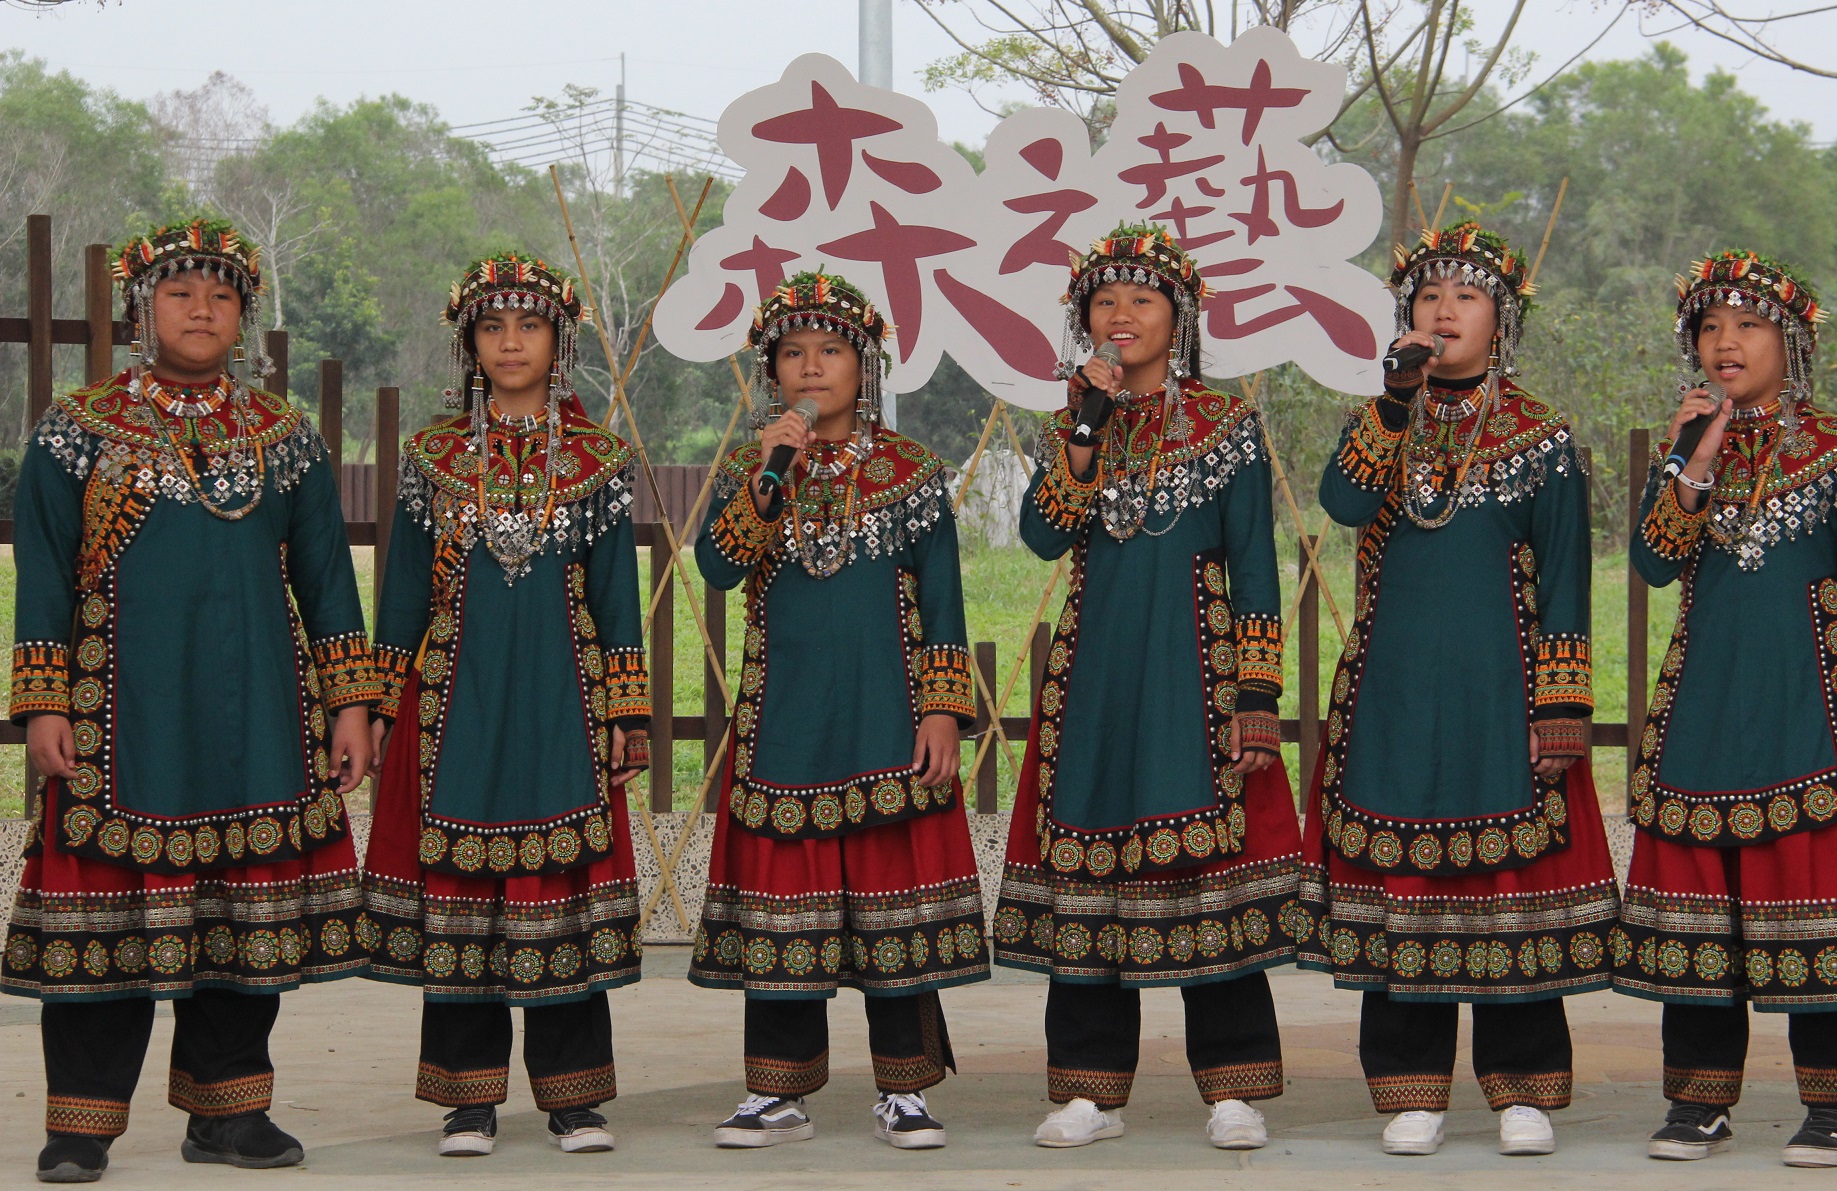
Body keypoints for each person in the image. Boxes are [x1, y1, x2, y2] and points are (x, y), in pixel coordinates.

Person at [3, 220, 377, 1182]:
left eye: (221, 295)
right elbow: (42, 573)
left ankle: (228, 1115)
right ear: (142, 310)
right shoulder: (76, 430)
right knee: (105, 916)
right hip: (119, 717)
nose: (201, 310)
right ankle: (80, 1127)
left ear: (244, 316)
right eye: (179, 293)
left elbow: (327, 580)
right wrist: (43, 701)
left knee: (243, 919)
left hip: (258, 718)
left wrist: (349, 704)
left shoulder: (285, 437)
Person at [1302, 221, 1616, 1158]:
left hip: (1501, 690)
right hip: (1394, 685)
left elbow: (1567, 577)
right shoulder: (1383, 417)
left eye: (1466, 297)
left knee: (1506, 879)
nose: (1444, 311)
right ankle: (1411, 1089)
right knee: (1404, 875)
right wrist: (1393, 402)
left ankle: (1522, 1089)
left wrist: (1562, 705)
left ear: (1501, 320)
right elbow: (1342, 503)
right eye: (1429, 296)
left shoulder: (1541, 435)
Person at [991, 223, 1307, 1154]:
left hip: (1196, 672)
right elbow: (1042, 537)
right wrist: (1084, 433)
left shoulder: (1226, 425)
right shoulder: (1073, 423)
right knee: (1089, 865)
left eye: (1142, 299)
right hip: (1095, 676)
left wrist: (1258, 694)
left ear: (1181, 317)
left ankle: (1234, 1088)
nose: (1120, 315)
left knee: (1211, 871)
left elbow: (1255, 563)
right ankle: (1089, 1090)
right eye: (1103, 301)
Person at [1618, 250, 1837, 1167]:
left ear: (1789, 340)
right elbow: (1653, 562)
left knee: (1814, 898)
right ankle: (1697, 1101)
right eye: (1710, 328)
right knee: (1700, 914)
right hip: (1705, 710)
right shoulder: (1686, 447)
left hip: (1810, 710)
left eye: (1747, 325)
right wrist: (1694, 458)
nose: (1726, 342)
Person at [690, 271, 988, 1152]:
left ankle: (906, 1089)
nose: (811, 367)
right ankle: (775, 1091)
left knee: (897, 903)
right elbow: (717, 566)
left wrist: (943, 710)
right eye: (793, 353)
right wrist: (769, 475)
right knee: (785, 901)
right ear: (772, 370)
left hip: (886, 714)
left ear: (866, 366)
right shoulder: (751, 467)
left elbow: (945, 599)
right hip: (785, 718)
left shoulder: (910, 471)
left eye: (830, 351)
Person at [361, 253, 649, 1158]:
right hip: (457, 700)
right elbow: (404, 589)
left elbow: (617, 593)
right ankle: (467, 1100)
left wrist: (628, 710)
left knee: (562, 879)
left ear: (559, 343)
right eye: (492, 327)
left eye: (529, 326)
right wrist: (378, 702)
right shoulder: (432, 456)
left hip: (564, 695)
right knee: (462, 883)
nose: (511, 342)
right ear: (470, 344)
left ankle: (575, 1099)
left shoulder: (599, 458)